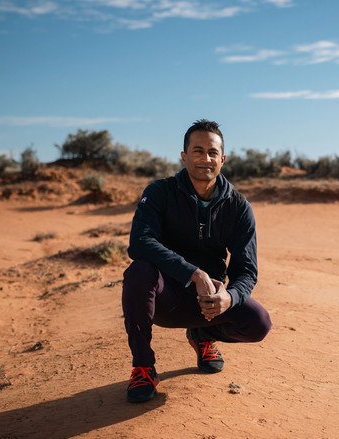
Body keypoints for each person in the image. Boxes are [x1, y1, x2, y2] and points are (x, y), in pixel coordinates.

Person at [122, 119, 271, 403]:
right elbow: (139, 242)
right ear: (184, 156)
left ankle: (203, 337)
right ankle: (143, 367)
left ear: (223, 159)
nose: (206, 158)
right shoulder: (159, 192)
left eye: (212, 152)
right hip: (166, 297)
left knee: (258, 323)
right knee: (139, 271)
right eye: (198, 151)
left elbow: (246, 269)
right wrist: (194, 273)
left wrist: (230, 296)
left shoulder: (239, 207)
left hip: (209, 305)